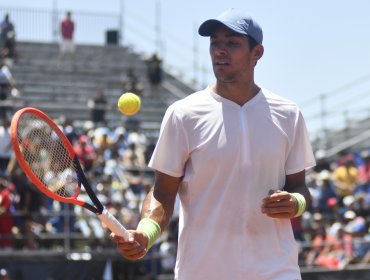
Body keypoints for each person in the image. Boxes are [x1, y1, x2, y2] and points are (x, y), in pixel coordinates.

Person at [111, 8, 316, 280]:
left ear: (257, 53)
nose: (220, 50)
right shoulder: (182, 114)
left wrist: (295, 202)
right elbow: (162, 193)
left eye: (232, 43)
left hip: (276, 270)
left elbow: (299, 187)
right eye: (215, 42)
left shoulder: (289, 114)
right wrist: (146, 234)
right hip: (202, 272)